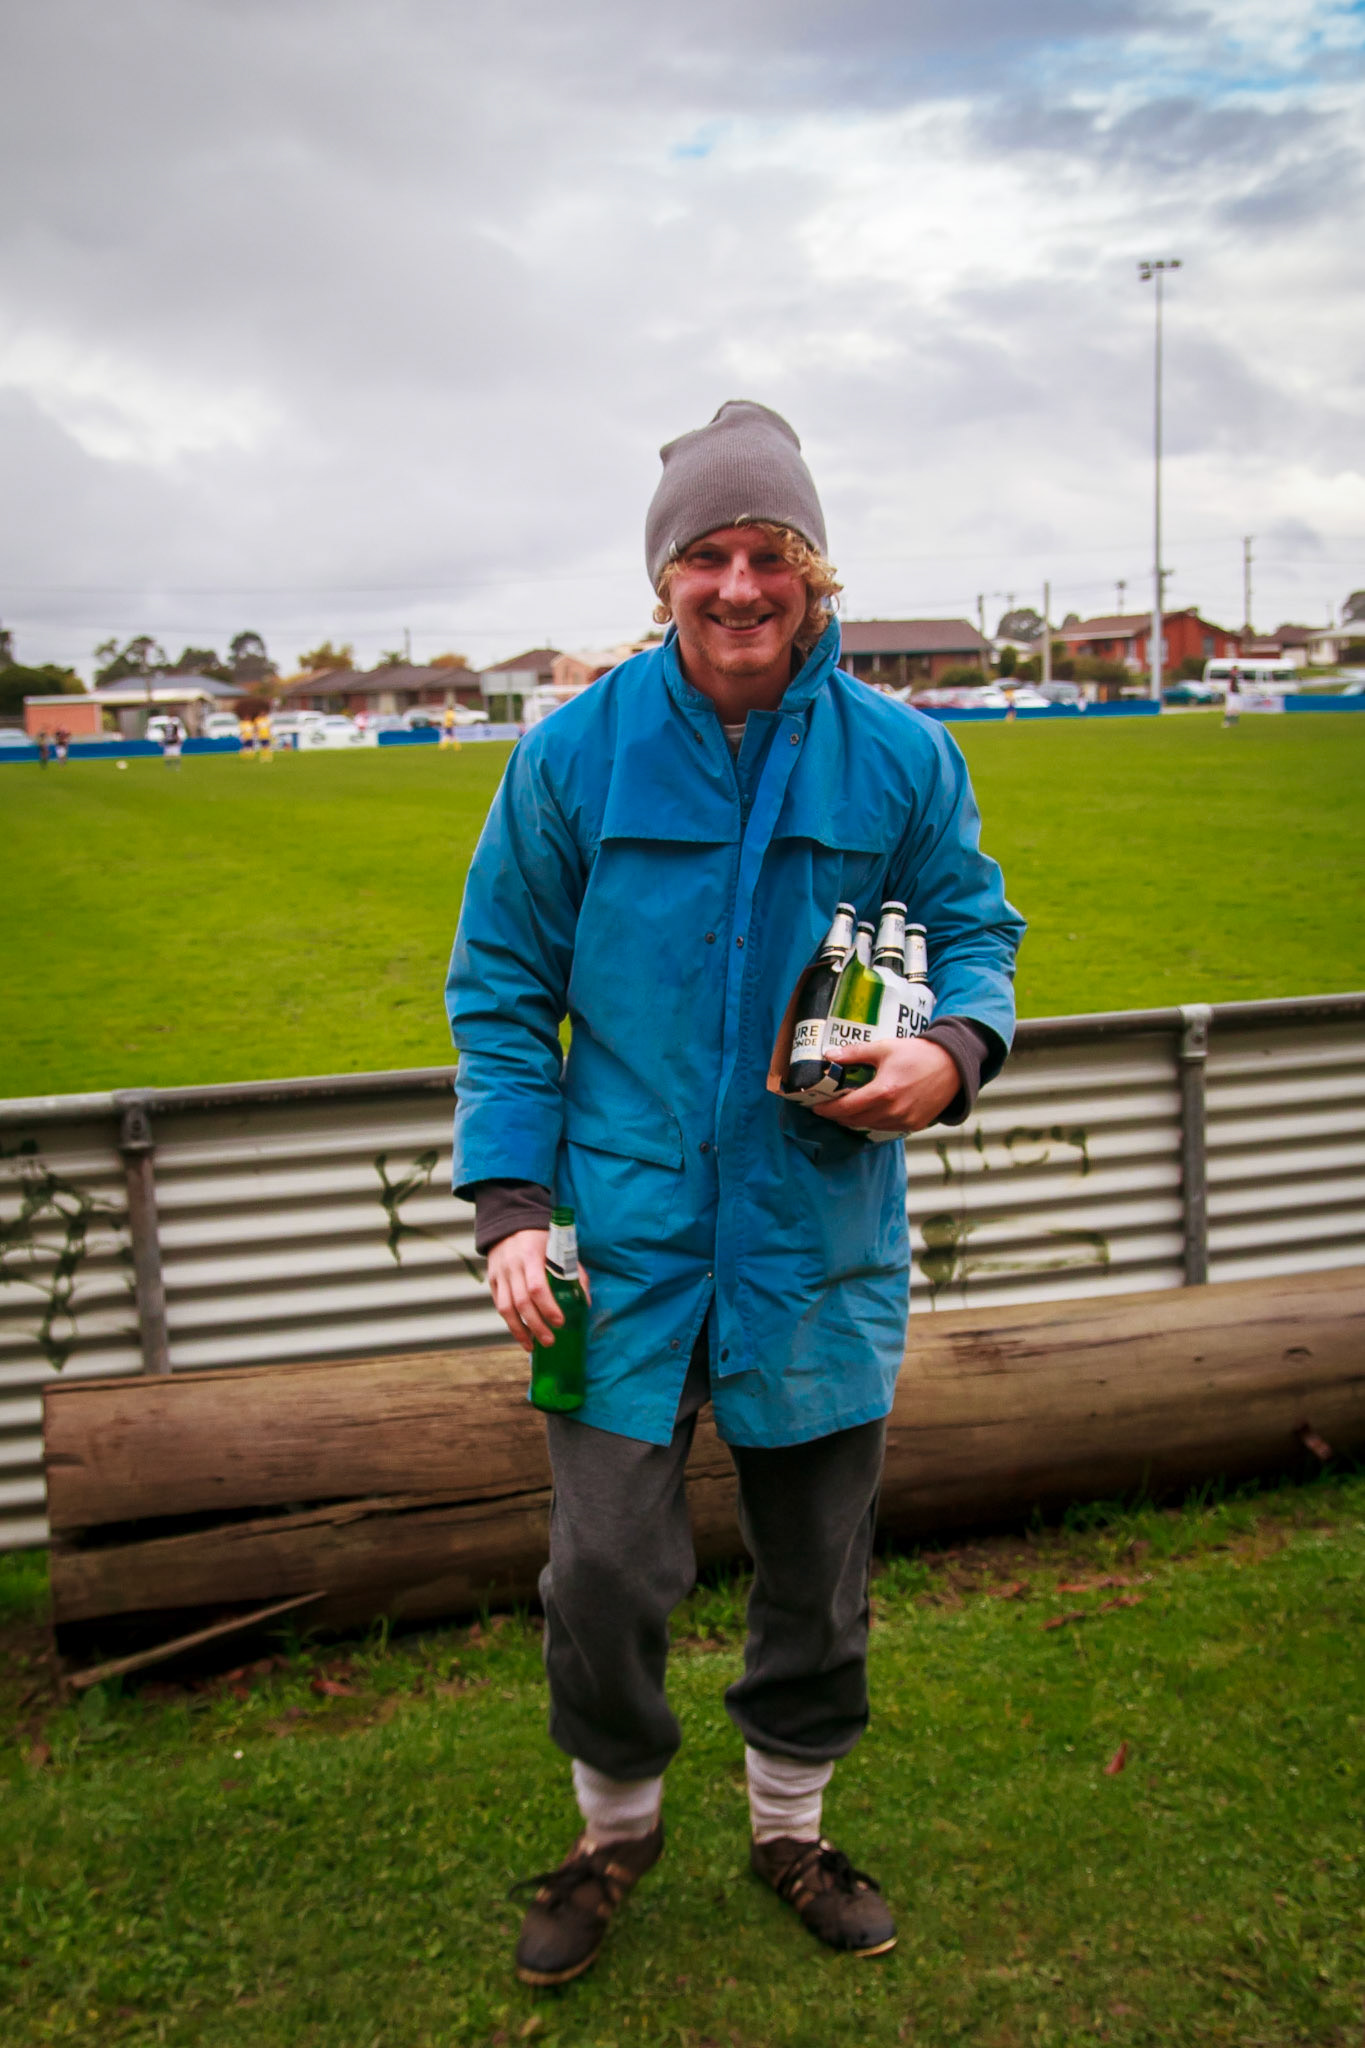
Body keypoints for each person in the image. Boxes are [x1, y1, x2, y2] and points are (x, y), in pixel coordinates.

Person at [446, 400, 1024, 1987]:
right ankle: (611, 1832)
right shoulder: (572, 756)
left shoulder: (900, 756)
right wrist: (507, 1210)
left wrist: (956, 1050)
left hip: (817, 1234)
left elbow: (975, 929)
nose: (739, 583)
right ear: (665, 578)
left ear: (814, 572)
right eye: (706, 554)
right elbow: (499, 989)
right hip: (615, 1248)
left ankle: (790, 1827)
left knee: (817, 1571)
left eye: (770, 551)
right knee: (608, 1570)